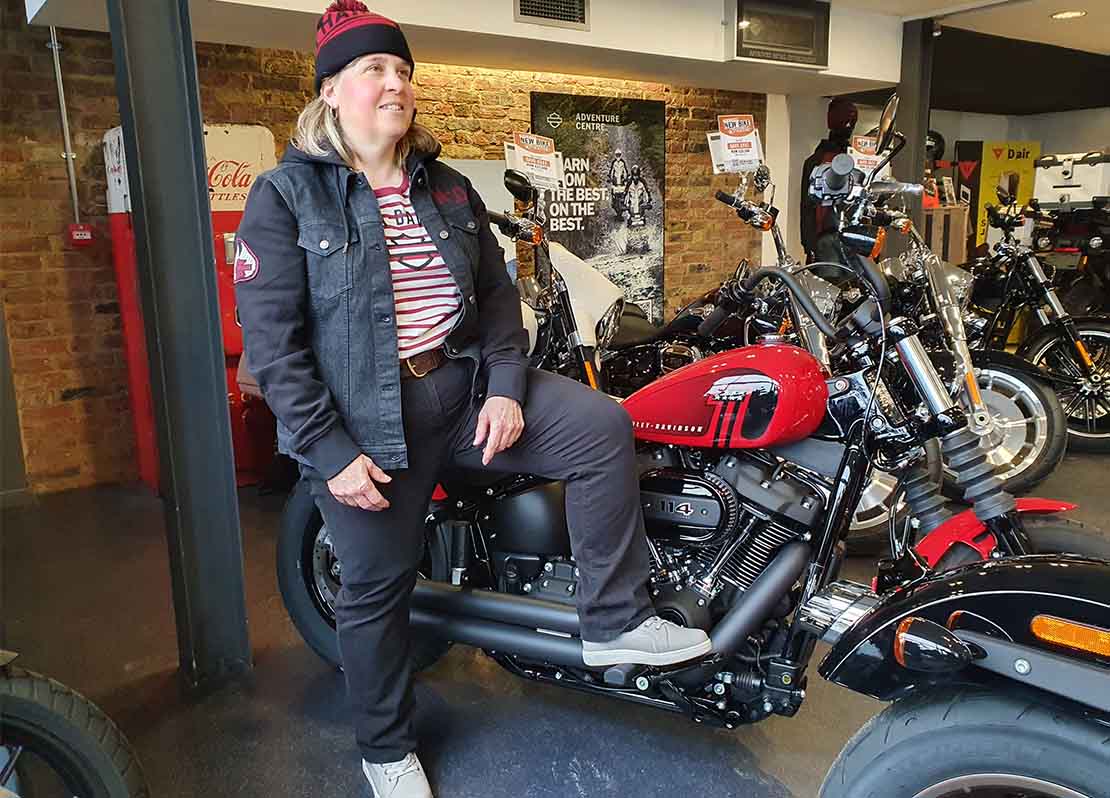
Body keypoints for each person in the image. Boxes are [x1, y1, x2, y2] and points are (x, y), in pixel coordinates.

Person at [232, 4, 710, 797]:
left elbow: (494, 301)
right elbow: (275, 346)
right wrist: (328, 451)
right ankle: (386, 749)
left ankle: (613, 620)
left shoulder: (445, 188)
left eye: (403, 71)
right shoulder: (286, 197)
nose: (397, 83)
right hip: (363, 425)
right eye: (375, 71)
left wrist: (506, 386)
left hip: (461, 395)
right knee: (376, 591)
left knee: (602, 424)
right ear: (331, 92)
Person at [800, 97, 857, 264]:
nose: (849, 128)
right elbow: (808, 206)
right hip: (826, 238)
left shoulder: (854, 158)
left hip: (851, 236)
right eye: (847, 122)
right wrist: (809, 244)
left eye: (851, 123)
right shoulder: (818, 161)